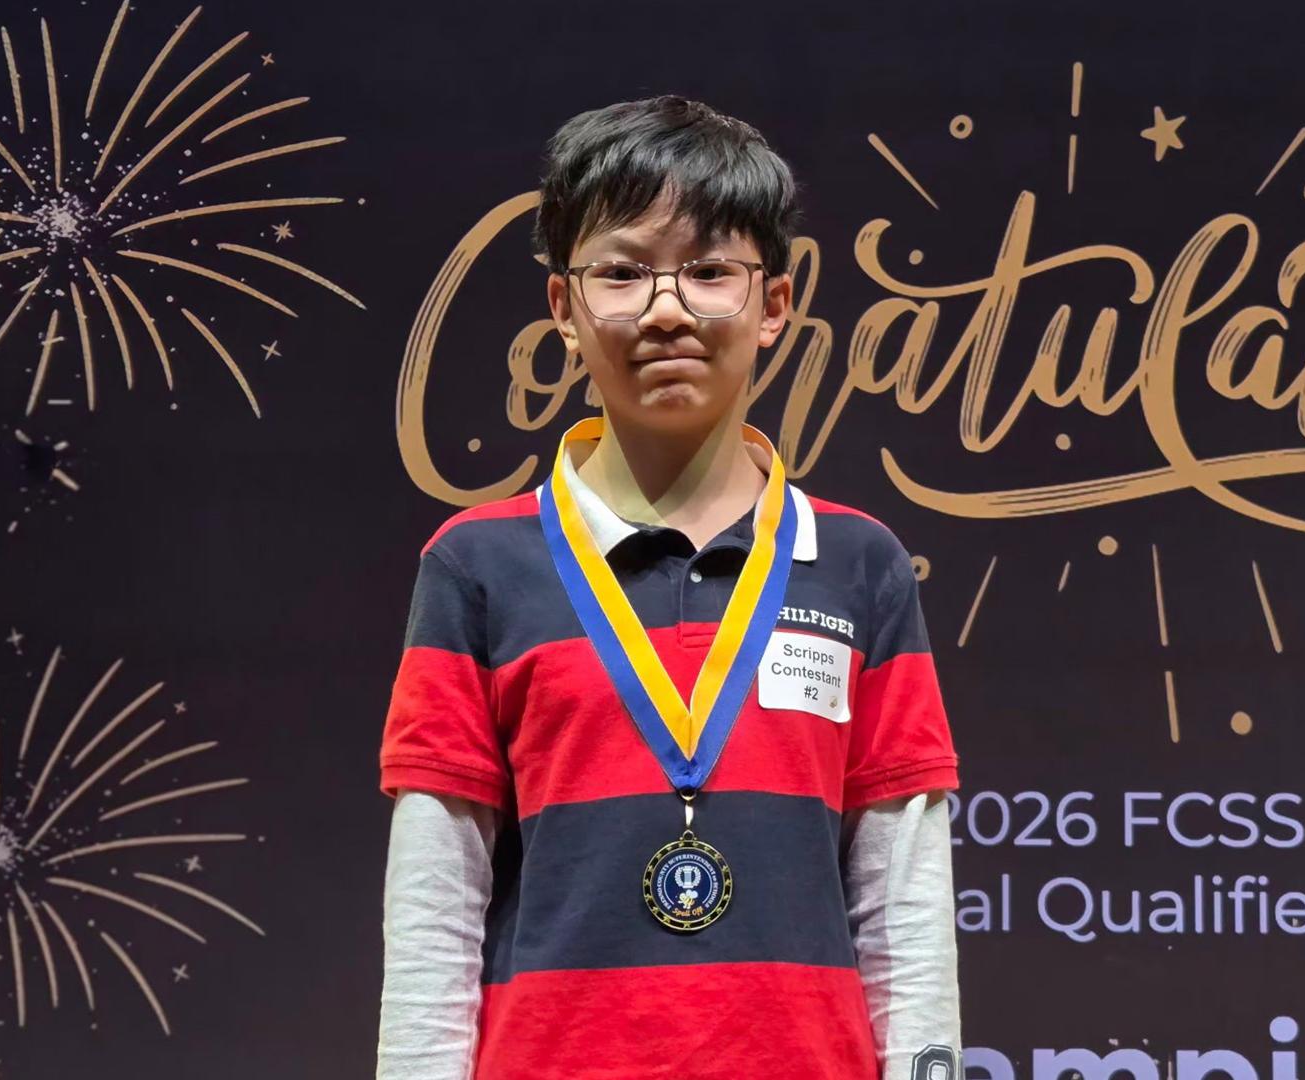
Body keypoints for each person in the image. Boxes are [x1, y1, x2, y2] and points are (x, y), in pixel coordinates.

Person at [375, 96, 962, 1080]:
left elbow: (902, 895)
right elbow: (437, 903)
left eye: (708, 271)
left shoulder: (859, 563)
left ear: (775, 304)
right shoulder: (476, 565)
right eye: (622, 272)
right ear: (563, 307)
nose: (666, 308)